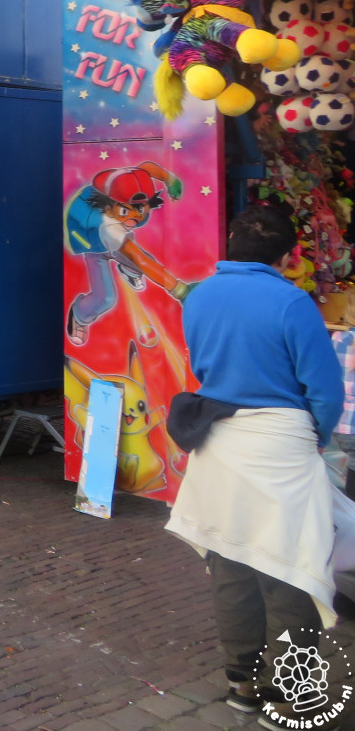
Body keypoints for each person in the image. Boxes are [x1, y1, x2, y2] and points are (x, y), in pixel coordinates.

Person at [164, 206, 345, 720]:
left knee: (231, 561)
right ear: (287, 256)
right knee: (290, 569)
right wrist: (317, 434)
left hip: (218, 441)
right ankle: (288, 695)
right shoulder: (292, 302)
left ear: (230, 243)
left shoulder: (198, 296)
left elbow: (203, 360)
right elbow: (324, 391)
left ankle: (242, 684)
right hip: (280, 444)